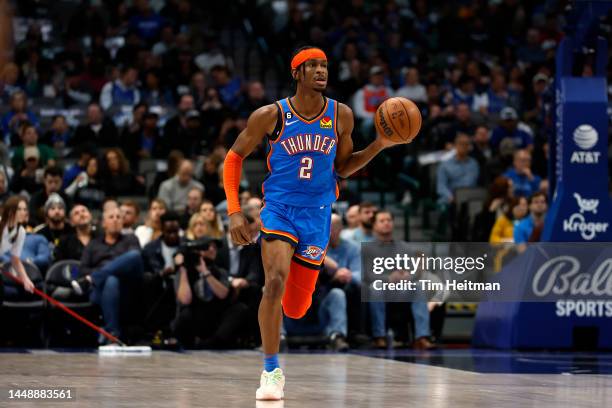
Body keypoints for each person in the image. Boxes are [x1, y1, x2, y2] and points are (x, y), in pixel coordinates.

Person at [223, 46, 406, 400]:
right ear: (297, 73)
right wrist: (234, 211)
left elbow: (342, 168)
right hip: (279, 209)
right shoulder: (271, 115)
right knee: (273, 282)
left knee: (296, 306)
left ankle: (282, 336)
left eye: (324, 65)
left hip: (319, 214)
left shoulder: (342, 115)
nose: (321, 71)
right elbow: (233, 159)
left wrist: (380, 144)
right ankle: (271, 370)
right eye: (313, 66)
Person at [70, 207, 144, 342]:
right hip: (101, 289)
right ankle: (113, 334)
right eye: (111, 217)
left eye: (118, 217)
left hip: (128, 287)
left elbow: (135, 260)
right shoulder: (93, 244)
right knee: (111, 280)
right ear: (103, 223)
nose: (115, 220)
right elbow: (83, 270)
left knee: (134, 255)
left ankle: (93, 279)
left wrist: (97, 274)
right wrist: (106, 272)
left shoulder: (131, 239)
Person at [141, 211, 182, 339]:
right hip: (158, 288)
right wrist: (161, 274)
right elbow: (145, 276)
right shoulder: (149, 249)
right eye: (169, 232)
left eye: (175, 232)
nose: (172, 236)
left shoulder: (187, 246)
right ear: (162, 230)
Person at [0, 199, 51, 274]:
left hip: (33, 278)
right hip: (7, 279)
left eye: (25, 211)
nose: (22, 213)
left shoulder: (39, 238)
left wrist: (28, 261)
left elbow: (44, 258)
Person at [0, 197, 35, 301]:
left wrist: (25, 279)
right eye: (19, 209)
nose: (23, 212)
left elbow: (15, 259)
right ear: (10, 211)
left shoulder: (21, 232)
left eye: (25, 209)